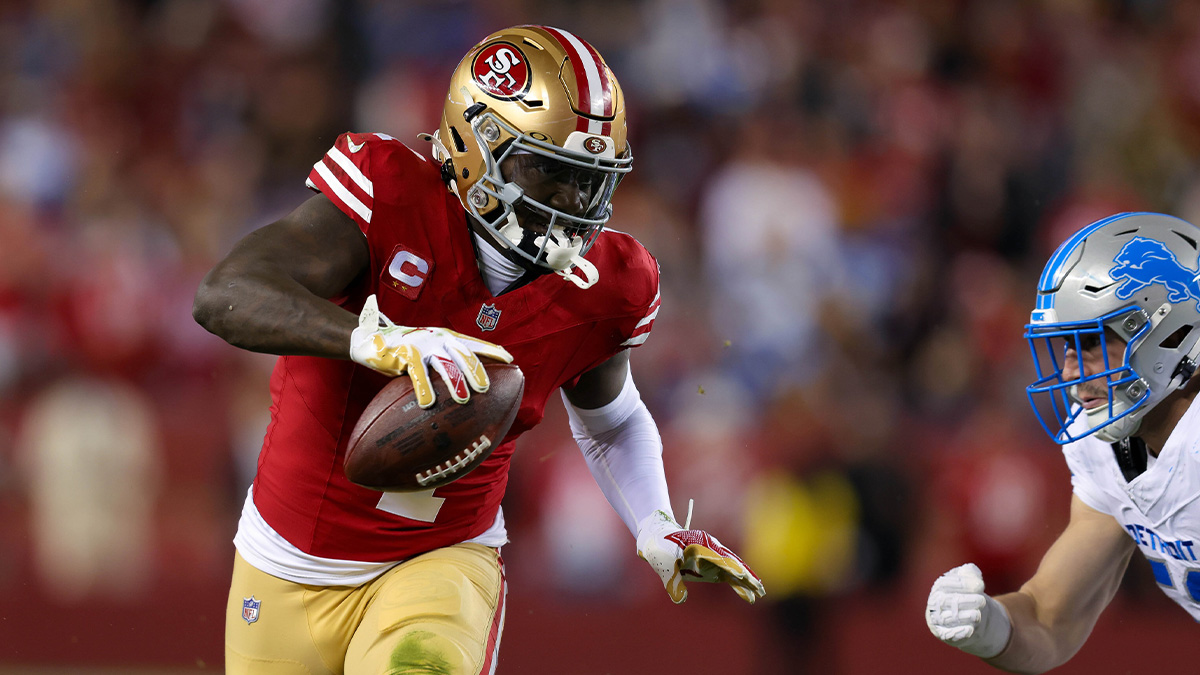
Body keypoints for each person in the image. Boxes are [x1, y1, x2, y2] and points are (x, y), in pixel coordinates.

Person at [192, 25, 763, 675]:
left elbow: (613, 416)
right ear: (474, 146)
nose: (573, 203)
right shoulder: (389, 197)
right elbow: (225, 293)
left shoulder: (605, 285)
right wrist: (374, 339)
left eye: (589, 180)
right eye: (552, 172)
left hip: (440, 561)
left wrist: (653, 520)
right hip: (286, 557)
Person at [925, 212, 1200, 673]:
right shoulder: (1109, 446)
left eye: (1091, 342)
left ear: (1173, 332)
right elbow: (1053, 617)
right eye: (1067, 346)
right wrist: (993, 627)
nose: (1072, 372)